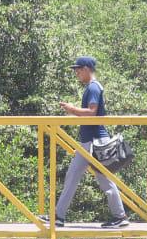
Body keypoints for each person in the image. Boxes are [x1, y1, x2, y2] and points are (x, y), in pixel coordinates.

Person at [43, 56, 130, 229]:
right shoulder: (91, 87)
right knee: (72, 176)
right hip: (88, 142)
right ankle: (58, 216)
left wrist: (71, 109)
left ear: (87, 69)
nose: (76, 73)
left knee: (104, 179)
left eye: (78, 69)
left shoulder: (93, 87)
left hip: (95, 142)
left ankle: (120, 217)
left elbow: (92, 112)